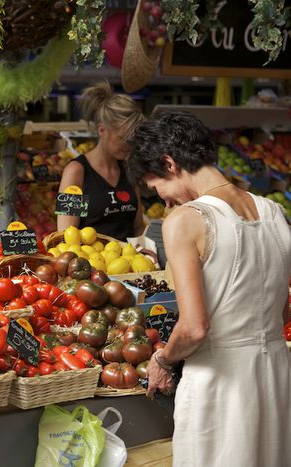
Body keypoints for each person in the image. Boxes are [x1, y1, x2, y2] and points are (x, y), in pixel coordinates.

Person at [127, 111, 291, 466]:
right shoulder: (274, 212)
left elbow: (194, 328)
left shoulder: (185, 220)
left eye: (159, 189)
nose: (166, 201)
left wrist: (162, 359)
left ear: (169, 163)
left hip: (220, 382)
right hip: (276, 376)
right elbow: (283, 311)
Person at [57, 82, 145, 241]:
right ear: (102, 130)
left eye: (133, 140)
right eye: (123, 138)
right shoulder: (76, 171)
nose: (129, 145)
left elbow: (138, 227)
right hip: (91, 263)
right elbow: (66, 235)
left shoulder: (128, 170)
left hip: (132, 262)